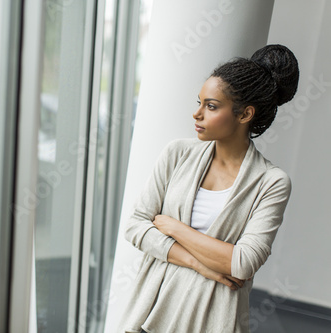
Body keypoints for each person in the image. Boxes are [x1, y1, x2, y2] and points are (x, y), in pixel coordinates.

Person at [120, 44, 299, 332]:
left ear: (244, 115)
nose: (197, 114)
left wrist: (172, 226)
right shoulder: (177, 153)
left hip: (213, 316)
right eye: (200, 102)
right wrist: (198, 263)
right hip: (153, 307)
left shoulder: (272, 182)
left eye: (211, 106)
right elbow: (135, 227)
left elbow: (242, 263)